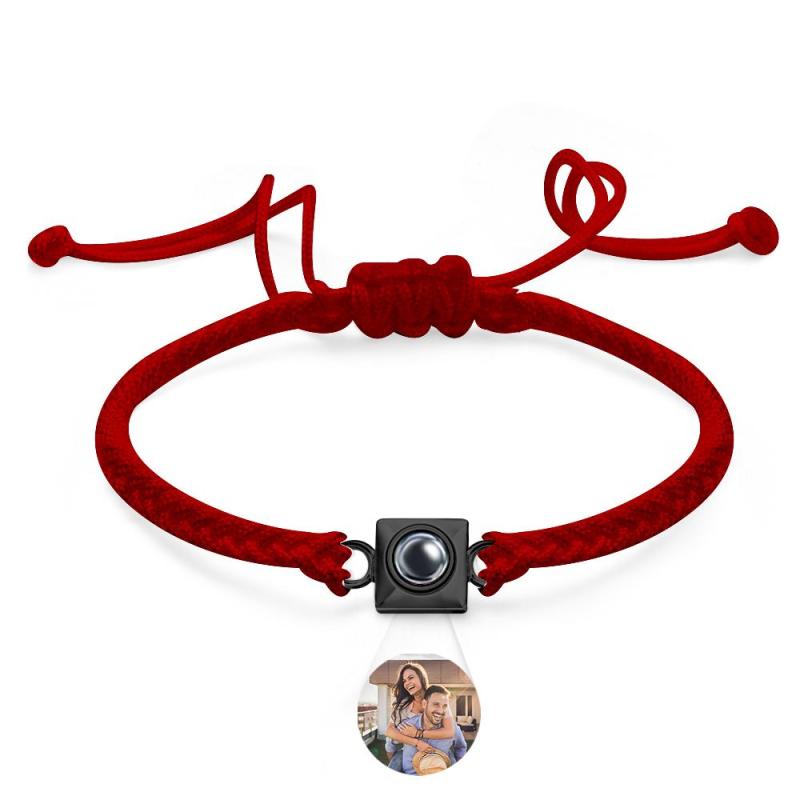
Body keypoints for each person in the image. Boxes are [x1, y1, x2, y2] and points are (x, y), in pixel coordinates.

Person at [383, 663, 456, 771]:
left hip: (437, 748)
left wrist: (418, 733)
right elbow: (389, 731)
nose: (407, 683)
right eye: (404, 681)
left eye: (411, 677)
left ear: (421, 678)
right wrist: (417, 743)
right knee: (391, 747)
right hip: (410, 748)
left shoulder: (437, 698)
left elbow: (449, 732)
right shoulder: (403, 706)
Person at [399, 685, 457, 775]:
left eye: (445, 706)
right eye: (436, 704)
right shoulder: (407, 725)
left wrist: (417, 733)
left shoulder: (453, 728)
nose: (440, 711)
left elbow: (461, 747)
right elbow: (390, 745)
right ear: (424, 704)